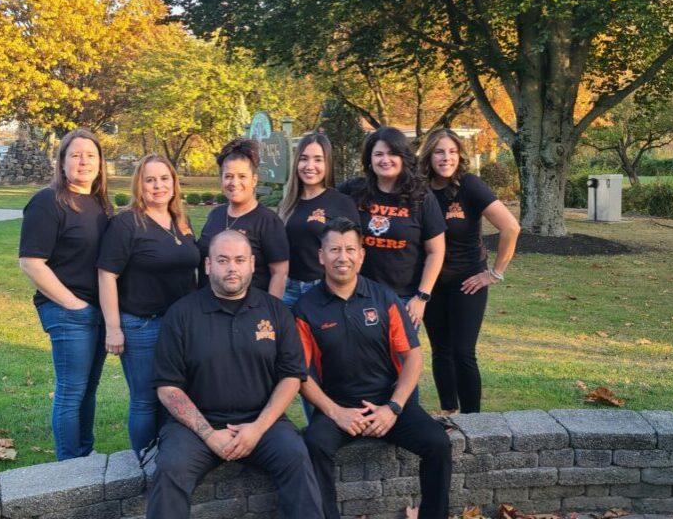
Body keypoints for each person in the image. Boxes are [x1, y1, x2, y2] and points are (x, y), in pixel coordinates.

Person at [148, 230, 323, 519]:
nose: (232, 268)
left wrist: (257, 428)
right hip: (196, 427)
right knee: (171, 468)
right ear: (207, 265)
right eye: (223, 260)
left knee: (297, 458)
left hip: (263, 421)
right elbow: (168, 387)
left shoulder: (275, 311)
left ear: (252, 264)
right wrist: (209, 434)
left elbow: (292, 376)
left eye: (240, 260)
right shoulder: (181, 314)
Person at [296, 218, 452, 519]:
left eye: (350, 249)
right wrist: (335, 412)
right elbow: (301, 375)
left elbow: (413, 357)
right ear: (321, 255)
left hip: (386, 403)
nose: (343, 257)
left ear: (362, 255)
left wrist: (393, 407)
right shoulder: (305, 308)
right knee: (312, 446)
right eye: (334, 249)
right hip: (338, 407)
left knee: (438, 444)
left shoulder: (384, 298)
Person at [18, 128, 112, 460]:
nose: (83, 161)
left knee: (88, 390)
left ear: (100, 163)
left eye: (90, 155)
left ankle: (84, 455)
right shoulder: (49, 201)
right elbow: (31, 262)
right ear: (62, 162)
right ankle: (69, 467)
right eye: (75, 155)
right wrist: (75, 306)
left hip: (97, 312)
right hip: (67, 310)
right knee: (72, 392)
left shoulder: (99, 203)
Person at [97, 155, 200, 457]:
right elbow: (107, 275)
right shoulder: (126, 223)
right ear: (139, 185)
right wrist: (113, 329)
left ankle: (169, 457)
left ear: (174, 183)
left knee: (176, 395)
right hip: (142, 325)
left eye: (164, 179)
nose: (158, 186)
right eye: (150, 180)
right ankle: (143, 461)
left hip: (180, 326)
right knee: (145, 399)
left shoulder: (181, 220)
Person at [418, 129, 520, 414]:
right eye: (439, 151)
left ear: (459, 156)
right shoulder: (419, 189)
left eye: (451, 151)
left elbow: (511, 228)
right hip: (432, 283)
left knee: (463, 352)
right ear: (429, 155)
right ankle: (449, 411)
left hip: (468, 283)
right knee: (441, 351)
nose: (446, 157)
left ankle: (475, 421)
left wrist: (494, 273)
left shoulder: (470, 186)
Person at [338, 126, 445, 329]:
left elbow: (436, 251)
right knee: (358, 359)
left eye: (392, 153)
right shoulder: (353, 190)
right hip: (358, 294)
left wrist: (421, 297)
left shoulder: (422, 197)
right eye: (378, 154)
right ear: (369, 159)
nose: (385, 160)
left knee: (400, 359)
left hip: (404, 299)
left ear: (404, 157)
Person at [197, 138, 290, 298]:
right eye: (228, 176)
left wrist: (271, 311)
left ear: (254, 180)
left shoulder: (267, 221)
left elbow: (279, 273)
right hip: (209, 312)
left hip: (250, 313)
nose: (234, 182)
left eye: (242, 176)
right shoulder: (215, 215)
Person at [278, 132, 359, 308]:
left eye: (318, 159)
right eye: (304, 159)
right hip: (288, 290)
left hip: (324, 289)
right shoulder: (287, 204)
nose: (310, 166)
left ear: (327, 163)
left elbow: (356, 253)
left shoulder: (342, 203)